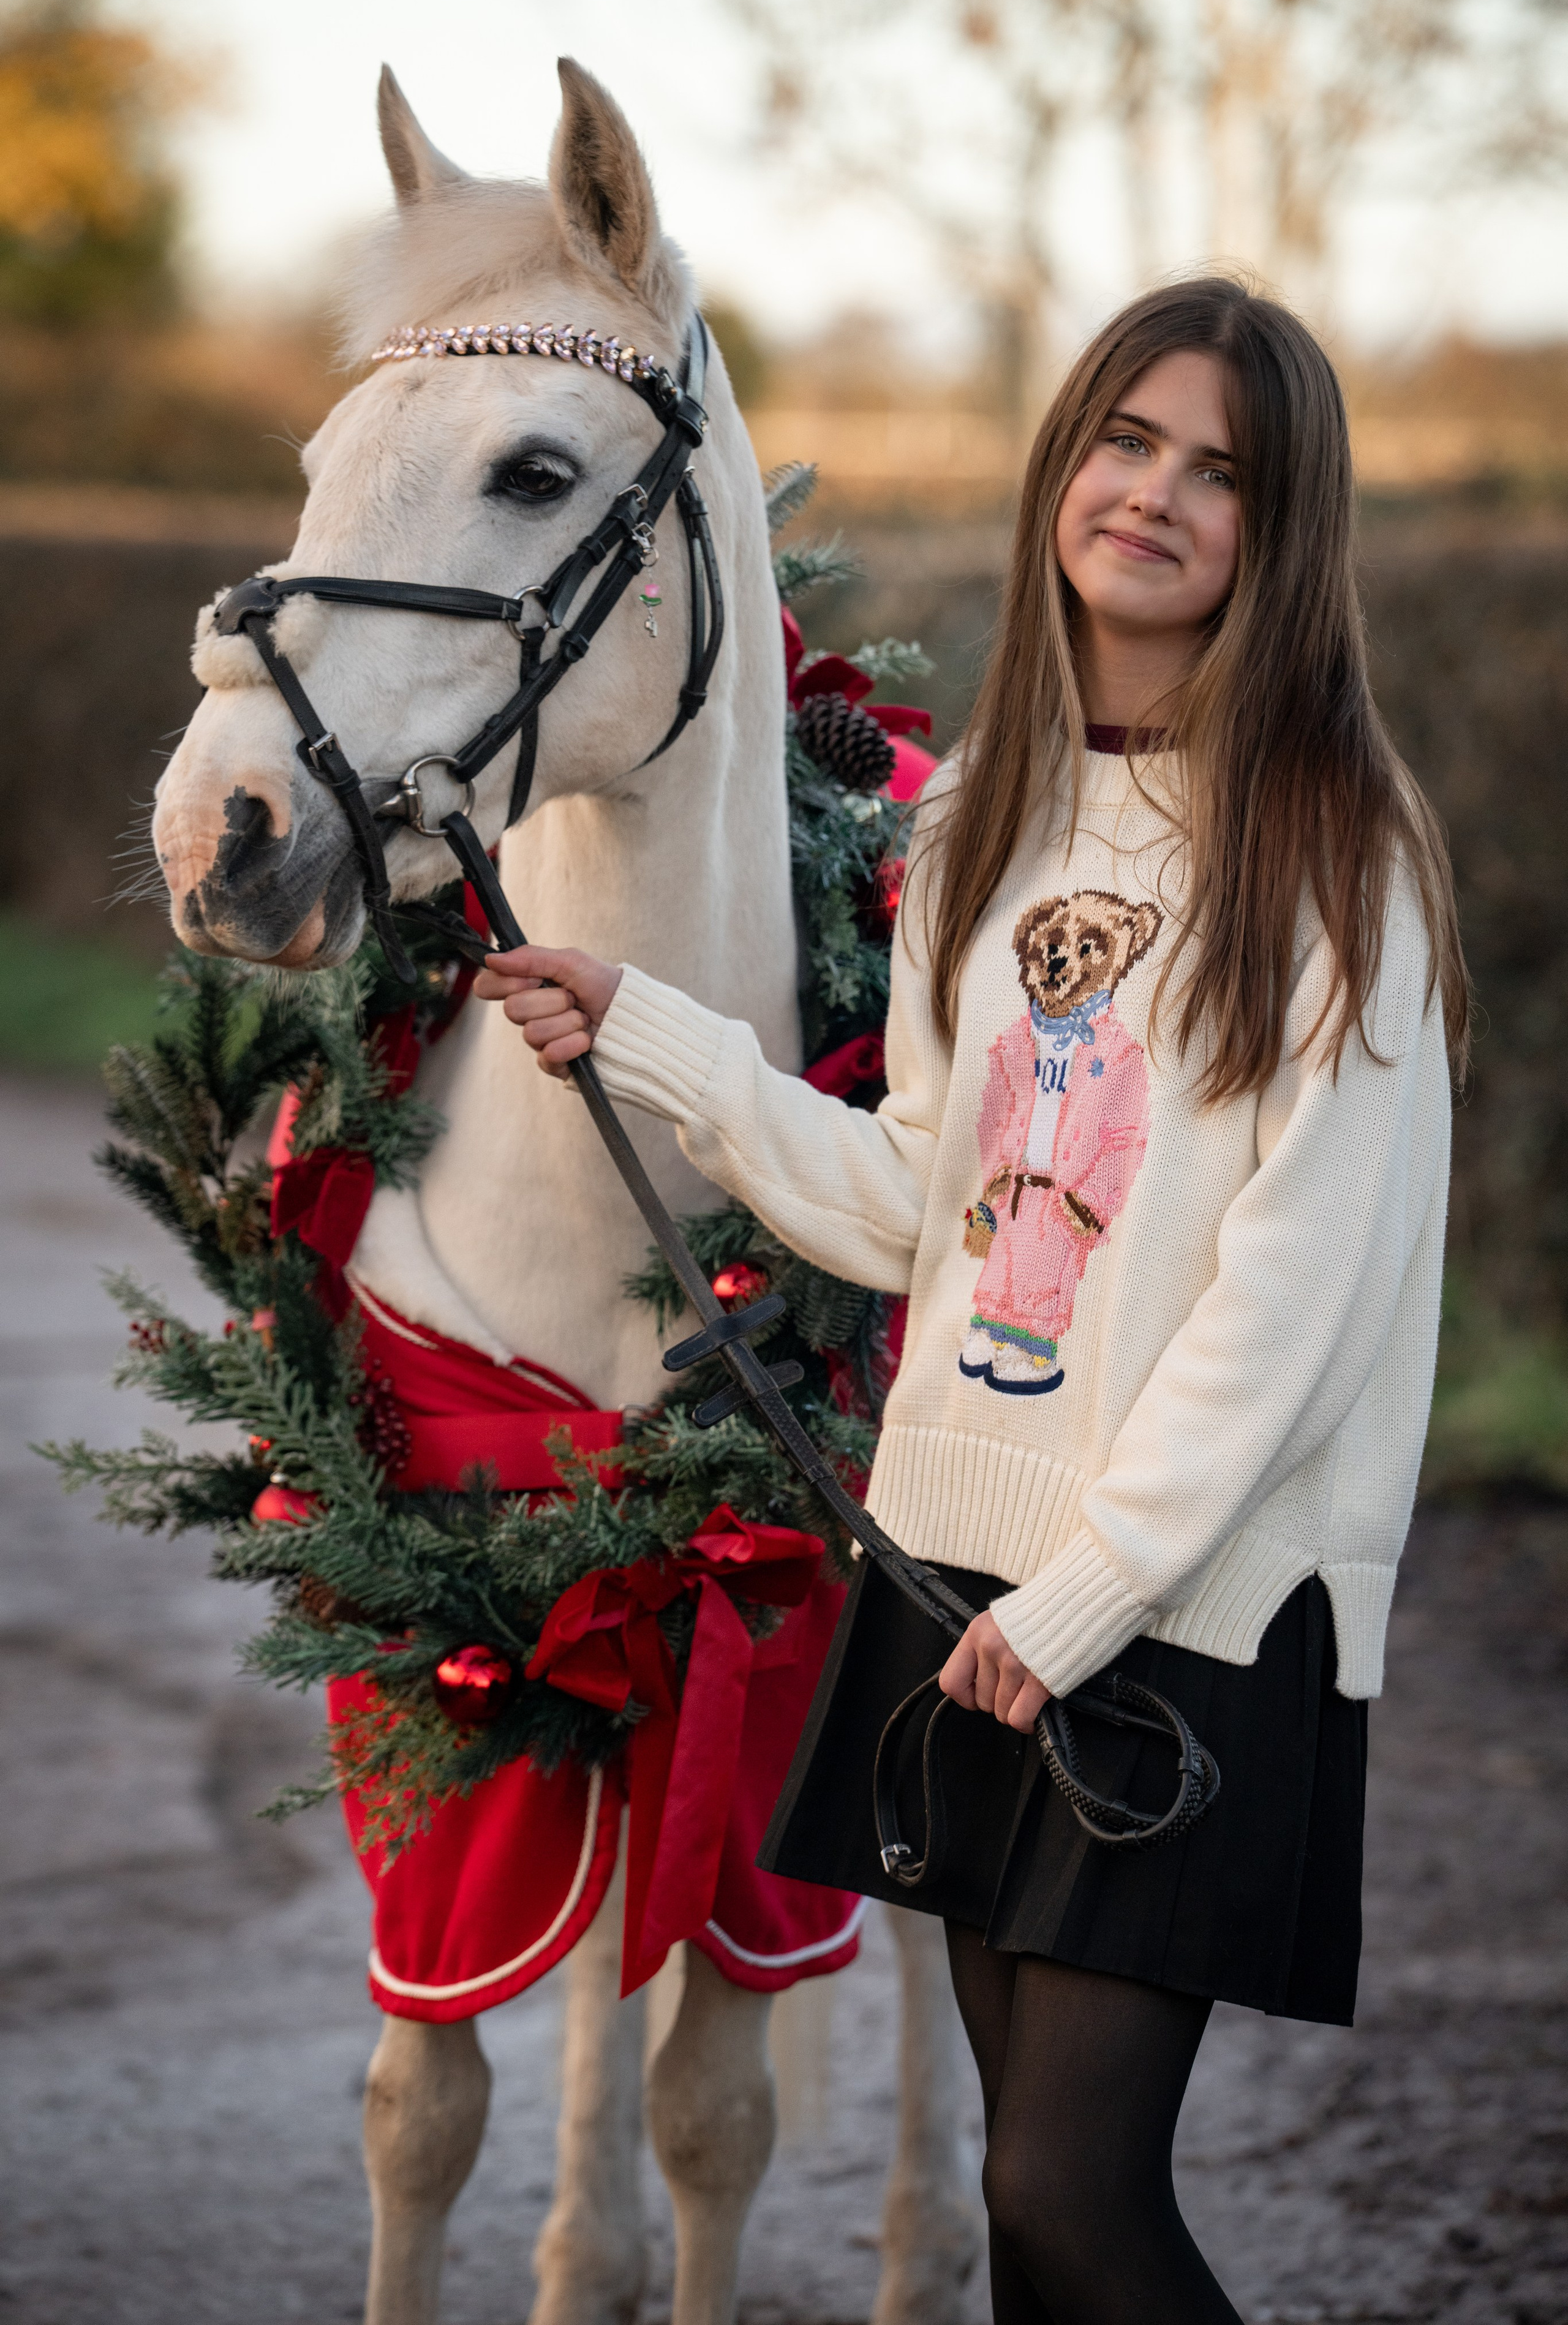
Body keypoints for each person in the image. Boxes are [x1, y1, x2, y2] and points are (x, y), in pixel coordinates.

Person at [474, 276, 1466, 2325]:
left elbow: (1300, 1295)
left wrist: (1087, 1601)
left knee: (1071, 2189)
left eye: (1227, 475)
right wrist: (656, 1039)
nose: (1161, 496)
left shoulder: (1333, 847)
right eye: (1130, 440)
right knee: (1027, 2221)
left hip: (1184, 1605)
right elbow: (936, 1199)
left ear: (1285, 542)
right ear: (1064, 463)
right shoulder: (979, 813)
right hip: (965, 1577)